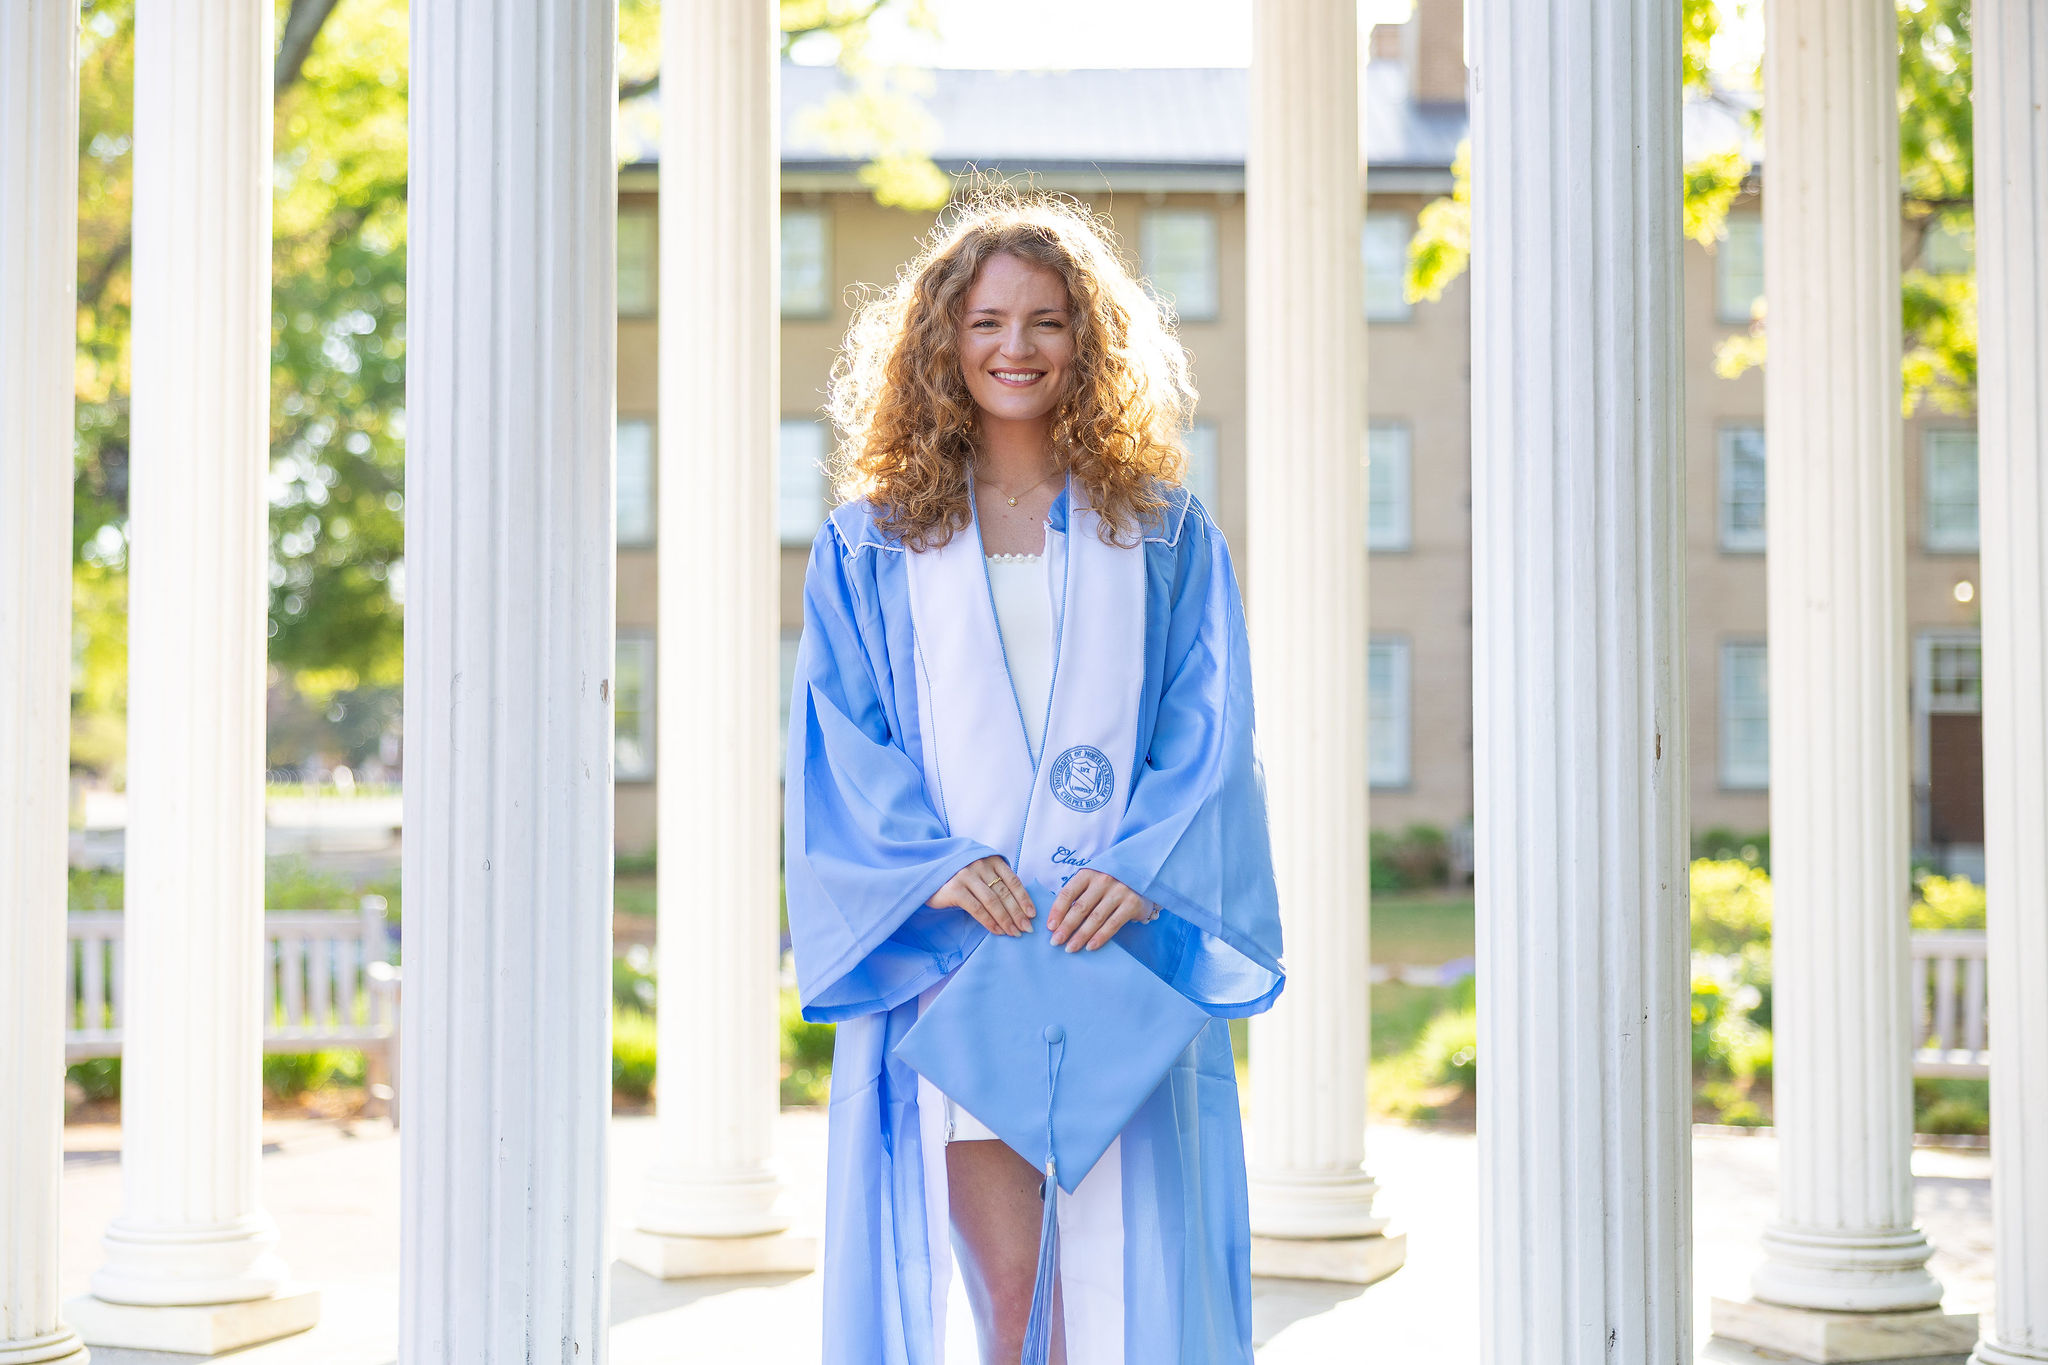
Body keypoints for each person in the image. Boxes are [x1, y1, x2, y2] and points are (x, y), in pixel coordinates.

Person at [784, 185, 1286, 1365]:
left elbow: (1207, 728)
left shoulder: (1159, 532)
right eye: (988, 321)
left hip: (1112, 949)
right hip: (962, 958)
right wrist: (938, 862)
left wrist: (1144, 866)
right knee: (1014, 1311)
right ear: (942, 342)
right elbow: (839, 738)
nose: (1017, 347)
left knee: (1126, 1292)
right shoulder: (874, 541)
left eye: (1048, 321)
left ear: (1087, 340)